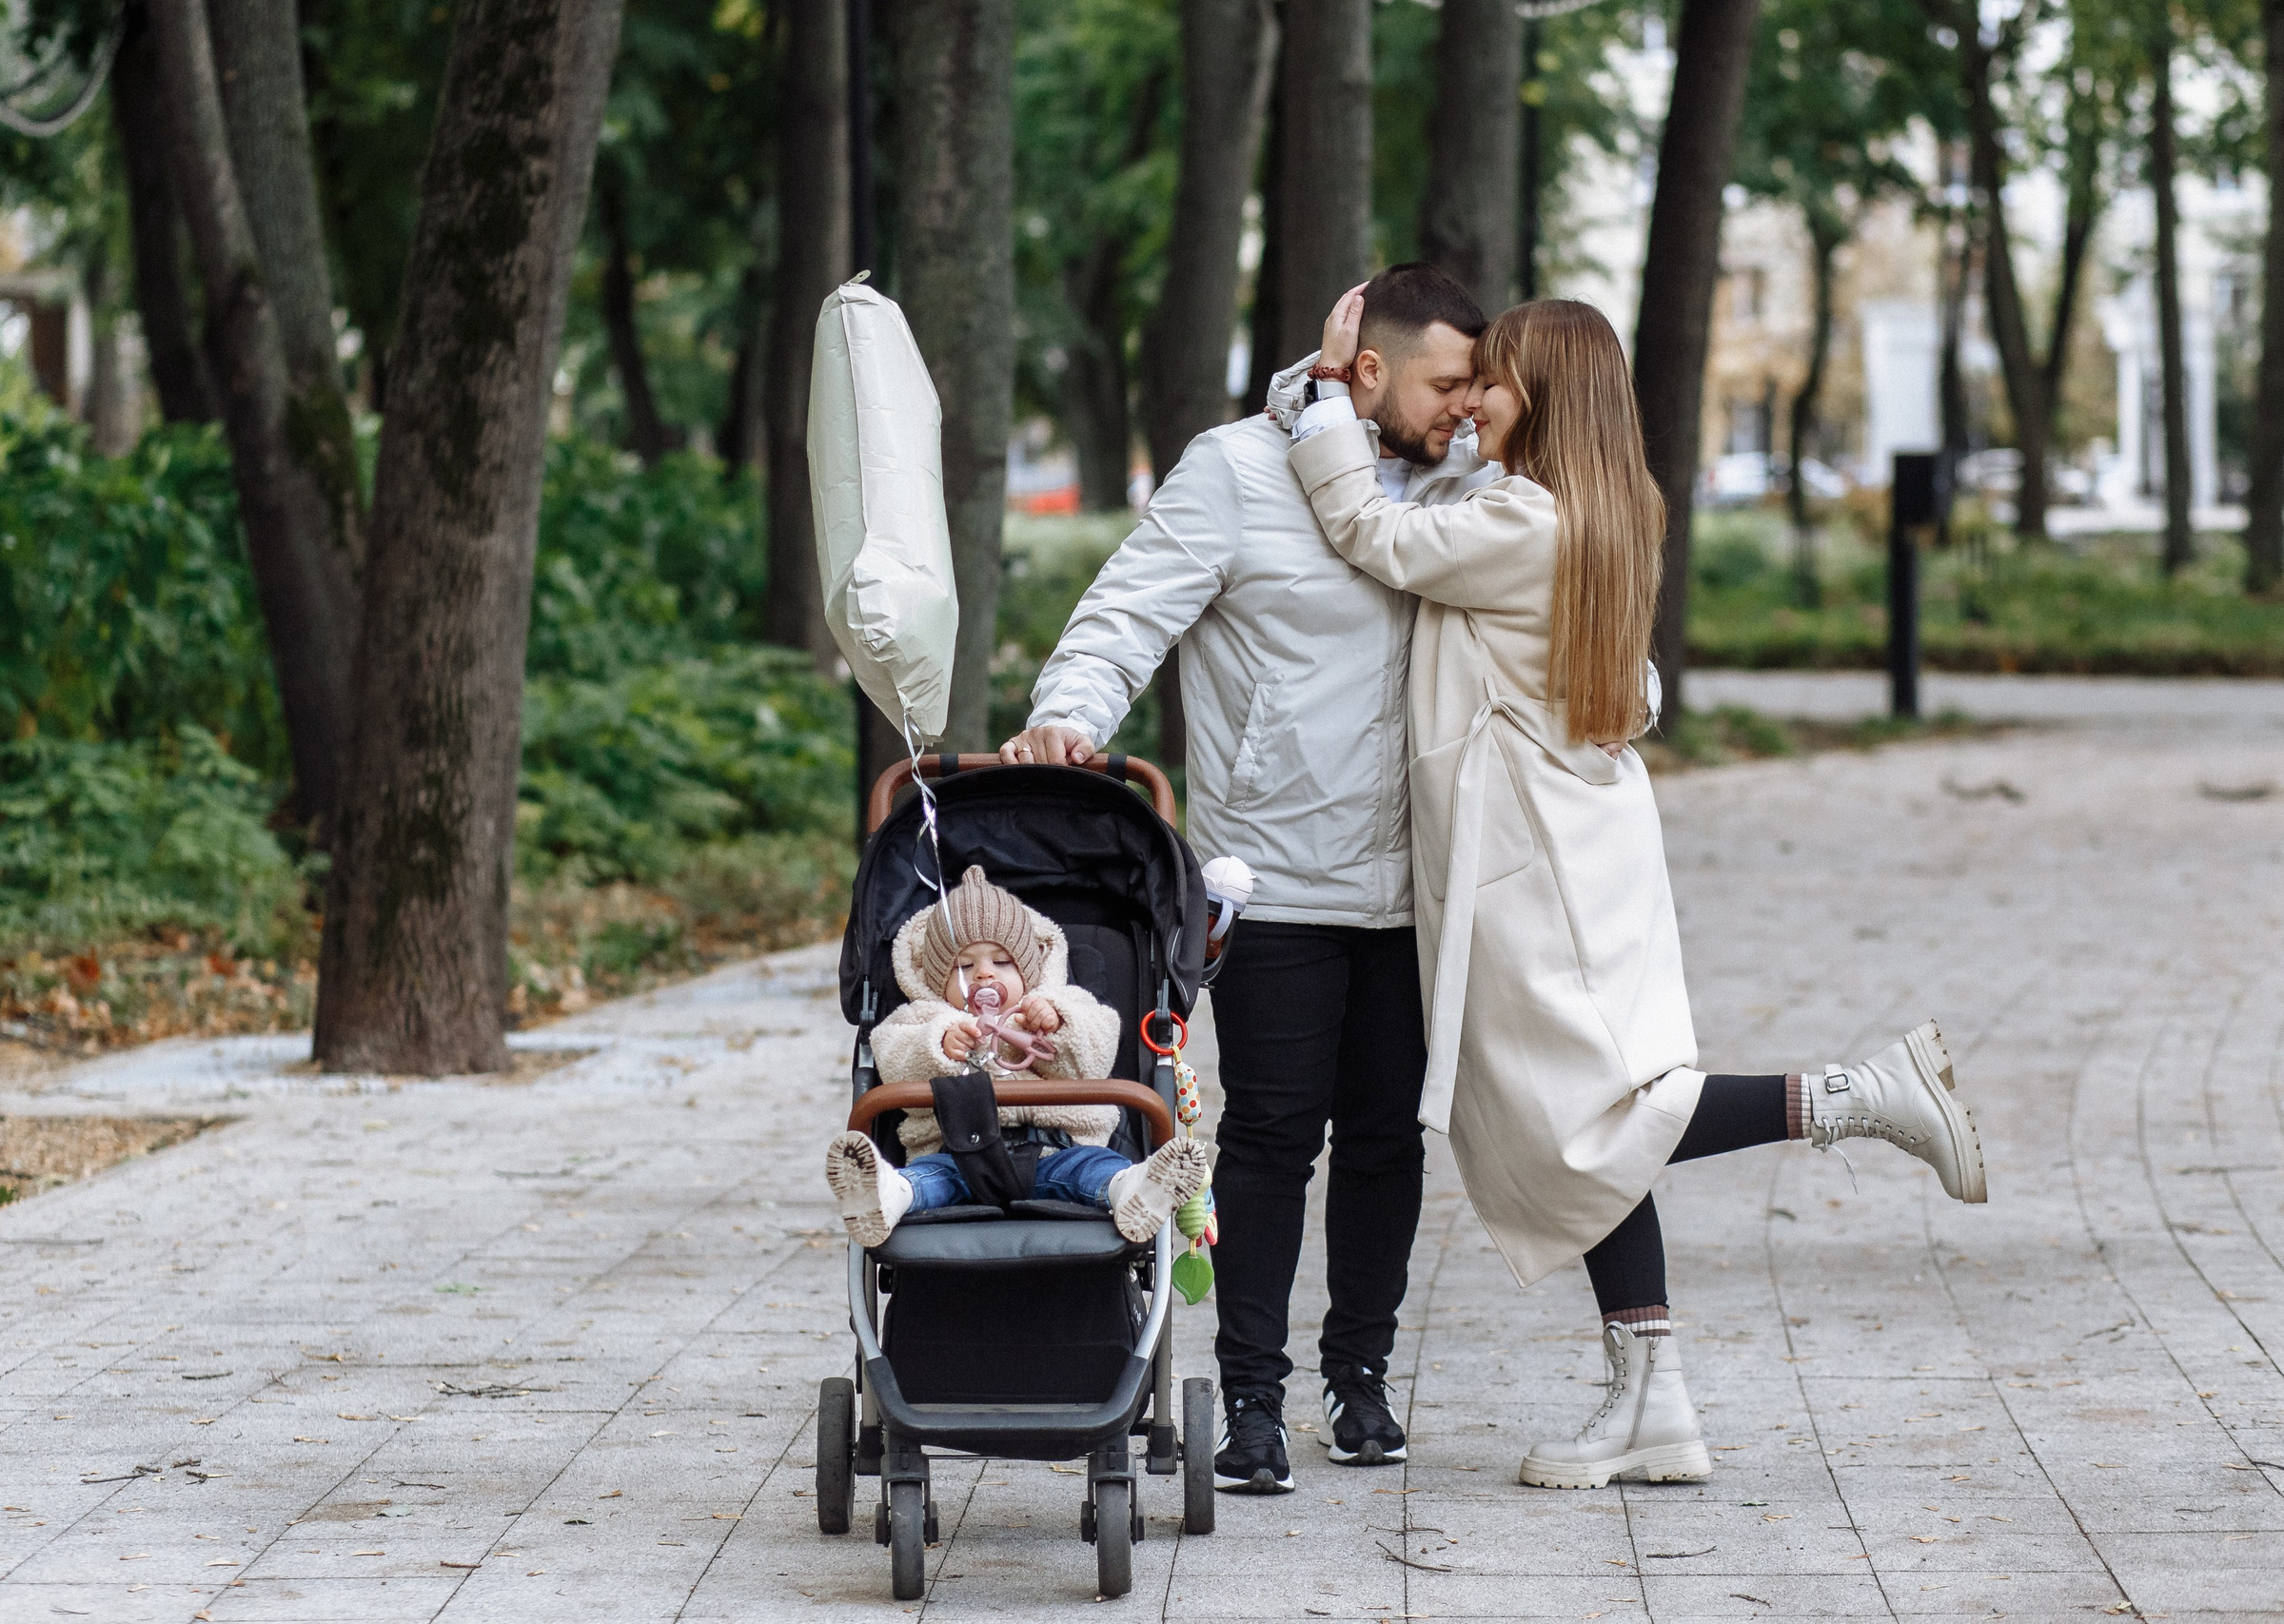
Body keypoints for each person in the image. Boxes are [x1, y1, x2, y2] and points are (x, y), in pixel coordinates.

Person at [1288, 290, 1987, 1491]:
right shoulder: (1594, 513)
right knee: (1601, 1120)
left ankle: (1861, 1095)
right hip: (1576, 850)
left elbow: (1373, 534)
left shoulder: (1521, 524)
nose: (1472, 404)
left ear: (1542, 398)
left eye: (1492, 384)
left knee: (1596, 1121)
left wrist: (1319, 393)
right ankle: (1650, 1401)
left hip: (1537, 873)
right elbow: (1634, 688)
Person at [1000, 263, 1496, 1493]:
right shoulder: (1232, 471)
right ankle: (1255, 1399)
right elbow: (1126, 611)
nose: (1465, 406)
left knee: (1389, 1138)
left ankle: (1360, 1378)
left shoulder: (1463, 486)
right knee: (1274, 1136)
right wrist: (1066, 715)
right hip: (1274, 875)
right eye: (1445, 381)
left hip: (1421, 883)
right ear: (1366, 369)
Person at [825, 865, 1210, 1246]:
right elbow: (892, 1057)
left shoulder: (1061, 1004)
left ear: (1028, 967)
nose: (984, 976)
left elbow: (1095, 1055)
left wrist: (1057, 1026)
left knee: (1098, 1170)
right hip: (957, 1152)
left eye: (1002, 962)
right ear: (937, 978)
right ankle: (884, 1196)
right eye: (964, 966)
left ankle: (1135, 1192)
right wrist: (938, 1046)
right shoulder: (926, 1018)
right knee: (925, 1180)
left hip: (1057, 1148)